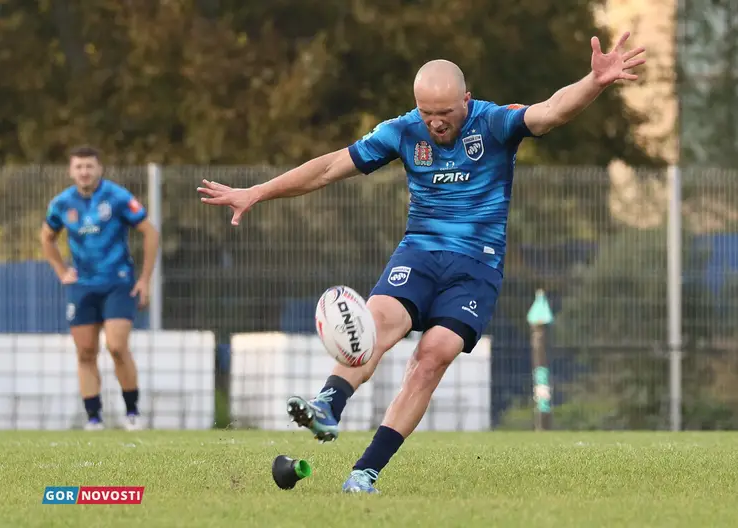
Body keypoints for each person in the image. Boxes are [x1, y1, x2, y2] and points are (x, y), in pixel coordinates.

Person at [198, 33, 645, 492]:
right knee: (373, 325)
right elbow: (330, 167)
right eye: (427, 113)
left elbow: (551, 112)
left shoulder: (494, 123)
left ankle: (365, 471)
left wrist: (594, 81)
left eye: (445, 114)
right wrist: (257, 191)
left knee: (431, 358)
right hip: (419, 254)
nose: (435, 123)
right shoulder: (403, 130)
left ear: (466, 101)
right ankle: (327, 406)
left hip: (476, 269)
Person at [41, 145, 160, 431]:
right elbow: (47, 237)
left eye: (89, 166)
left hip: (118, 282)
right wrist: (61, 271)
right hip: (81, 286)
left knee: (117, 346)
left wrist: (144, 280)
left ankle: (132, 413)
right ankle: (93, 418)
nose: (84, 172)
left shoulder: (117, 197)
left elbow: (150, 232)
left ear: (99, 169)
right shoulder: (61, 204)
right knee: (85, 351)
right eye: (79, 167)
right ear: (71, 171)